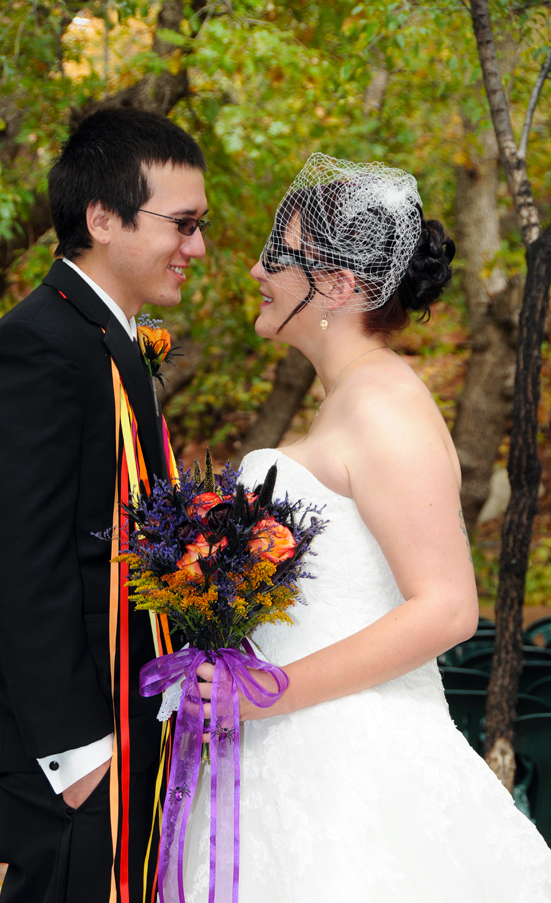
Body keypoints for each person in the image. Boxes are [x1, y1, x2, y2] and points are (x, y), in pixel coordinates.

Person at [184, 155, 551, 901]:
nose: (257, 269)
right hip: (292, 755)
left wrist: (265, 691)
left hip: (353, 766)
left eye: (280, 255)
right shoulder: (349, 399)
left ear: (341, 285)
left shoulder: (385, 406)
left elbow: (447, 607)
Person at [0, 107, 208, 903]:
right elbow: (16, 564)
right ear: (102, 218)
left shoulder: (105, 338)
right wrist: (79, 755)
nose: (198, 247)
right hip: (78, 744)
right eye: (183, 224)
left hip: (131, 722)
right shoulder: (34, 348)